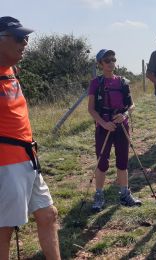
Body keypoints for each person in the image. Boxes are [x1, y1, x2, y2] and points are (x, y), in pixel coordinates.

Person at [0, 16, 60, 259]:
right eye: (18, 38)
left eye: (26, 38)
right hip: (6, 163)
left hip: (28, 159)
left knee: (48, 215)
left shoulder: (11, 70)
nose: (24, 43)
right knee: (4, 229)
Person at [88, 49, 141, 211]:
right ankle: (99, 195)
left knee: (123, 160)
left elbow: (131, 105)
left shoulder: (123, 82)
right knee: (102, 162)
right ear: (100, 64)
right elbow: (91, 109)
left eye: (113, 59)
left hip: (121, 125)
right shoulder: (96, 83)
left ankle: (125, 194)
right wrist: (104, 124)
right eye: (107, 60)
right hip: (104, 126)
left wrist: (124, 115)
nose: (111, 63)